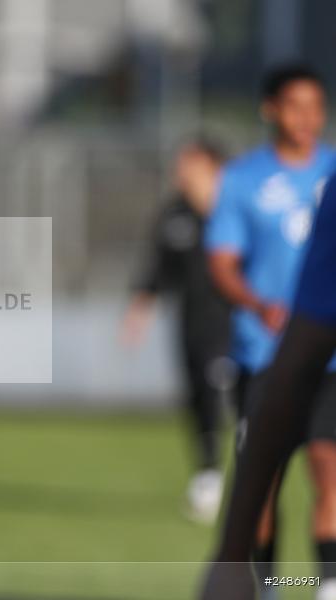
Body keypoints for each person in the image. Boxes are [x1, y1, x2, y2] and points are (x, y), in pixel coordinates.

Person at [205, 63, 336, 597]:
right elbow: (222, 262)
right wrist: (259, 305)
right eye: (295, 106)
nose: (307, 118)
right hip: (266, 355)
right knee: (263, 480)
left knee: (330, 465)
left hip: (330, 359)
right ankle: (269, 585)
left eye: (316, 107)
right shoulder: (242, 179)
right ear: (271, 110)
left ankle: (327, 584)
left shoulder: (333, 170)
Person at [122, 138, 231, 523]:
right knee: (198, 399)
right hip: (190, 323)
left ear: (212, 165)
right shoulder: (174, 214)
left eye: (189, 163)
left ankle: (252, 475)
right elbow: (156, 269)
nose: (179, 170)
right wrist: (139, 309)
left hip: (235, 326)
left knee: (226, 392)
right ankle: (209, 473)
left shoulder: (236, 209)